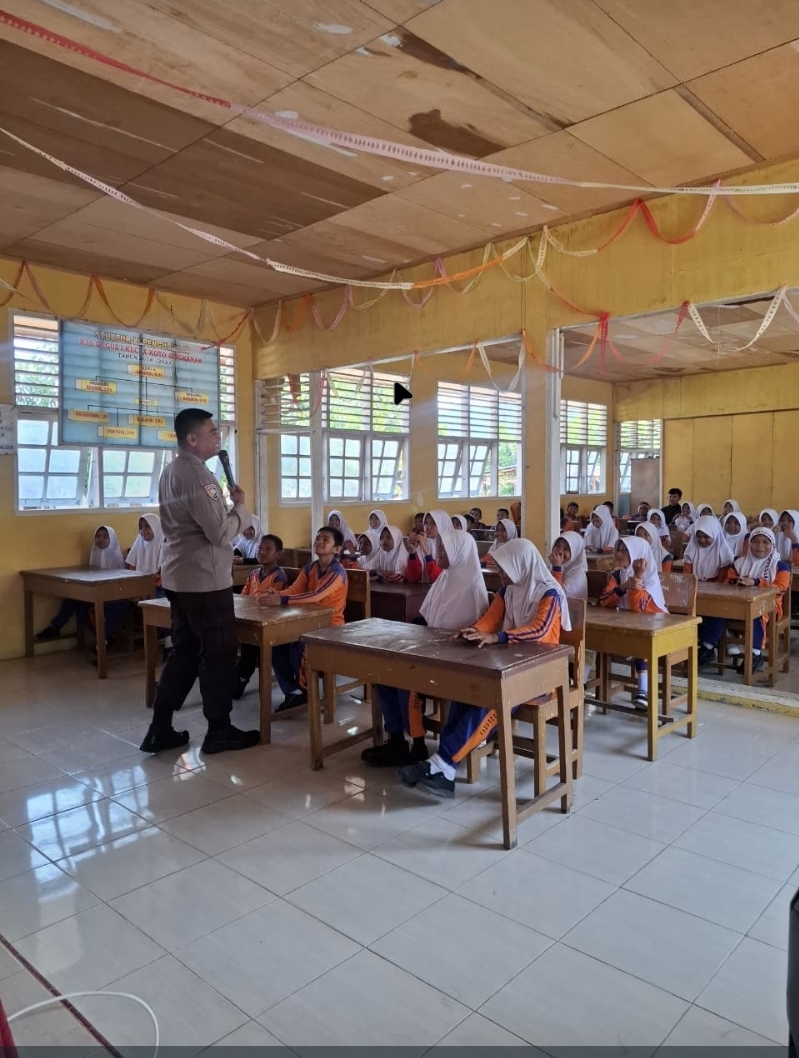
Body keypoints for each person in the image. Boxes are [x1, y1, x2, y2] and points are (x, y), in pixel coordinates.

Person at [398, 539, 569, 798]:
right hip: (512, 665)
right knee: (468, 691)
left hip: (540, 673)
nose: (500, 573)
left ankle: (444, 764)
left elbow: (541, 630)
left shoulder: (550, 592)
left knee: (491, 700)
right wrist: (475, 631)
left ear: (521, 565)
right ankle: (443, 766)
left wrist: (499, 638)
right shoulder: (508, 590)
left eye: (504, 568)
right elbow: (490, 619)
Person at [140, 408, 257, 756]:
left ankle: (160, 726)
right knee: (219, 652)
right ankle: (219, 729)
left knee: (186, 652)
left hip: (180, 576)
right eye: (211, 432)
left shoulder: (172, 470)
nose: (217, 437)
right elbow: (220, 533)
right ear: (192, 439)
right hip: (205, 582)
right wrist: (241, 510)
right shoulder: (196, 475)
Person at [361, 530, 488, 767]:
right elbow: (430, 620)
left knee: (406, 678)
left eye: (444, 549)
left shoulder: (471, 586)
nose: (437, 552)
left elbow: (470, 635)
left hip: (457, 660)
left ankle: (417, 744)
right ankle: (396, 739)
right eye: (438, 547)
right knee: (384, 674)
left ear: (459, 553)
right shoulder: (446, 578)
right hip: (433, 650)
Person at [257, 525, 348, 710]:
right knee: (276, 646)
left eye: (326, 539)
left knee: (299, 646)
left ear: (337, 549)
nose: (319, 542)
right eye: (318, 538)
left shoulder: (337, 572)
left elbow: (317, 595)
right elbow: (294, 591)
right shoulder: (310, 568)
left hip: (331, 626)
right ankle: (294, 692)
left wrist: (282, 599)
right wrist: (277, 593)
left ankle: (306, 691)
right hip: (307, 623)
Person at [600, 536, 668, 708]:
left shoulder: (649, 579)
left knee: (642, 640)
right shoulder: (617, 574)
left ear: (637, 555)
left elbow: (639, 607)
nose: (619, 554)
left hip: (655, 630)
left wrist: (638, 576)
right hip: (626, 625)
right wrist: (623, 587)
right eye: (619, 549)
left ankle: (643, 690)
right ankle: (584, 682)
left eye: (625, 551)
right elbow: (604, 600)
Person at [35, 524, 128, 644]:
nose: (101, 539)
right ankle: (55, 627)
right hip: (96, 592)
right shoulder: (95, 551)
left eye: (105, 537)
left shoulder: (115, 555)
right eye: (98, 536)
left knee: (117, 607)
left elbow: (119, 580)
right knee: (72, 598)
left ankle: (105, 639)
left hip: (113, 595)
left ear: (112, 539)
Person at [725, 527, 791, 676]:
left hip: (770, 608)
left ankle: (755, 654)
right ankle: (709, 646)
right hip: (739, 605)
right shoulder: (739, 562)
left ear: (772, 544)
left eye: (765, 542)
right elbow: (728, 579)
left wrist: (756, 582)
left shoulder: (780, 566)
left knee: (756, 613)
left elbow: (781, 588)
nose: (760, 546)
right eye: (755, 542)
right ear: (749, 544)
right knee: (719, 610)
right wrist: (737, 581)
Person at [232, 534, 288, 699]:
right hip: (251, 617)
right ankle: (236, 677)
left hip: (266, 622)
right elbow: (244, 597)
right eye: (260, 548)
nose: (262, 552)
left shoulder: (279, 576)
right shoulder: (254, 573)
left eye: (268, 549)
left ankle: (240, 678)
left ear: (279, 554)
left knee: (249, 649)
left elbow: (275, 604)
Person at [683, 514, 735, 666]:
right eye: (698, 537)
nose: (702, 541)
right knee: (685, 611)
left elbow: (724, 580)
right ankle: (691, 645)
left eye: (706, 537)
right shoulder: (690, 551)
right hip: (695, 591)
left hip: (718, 593)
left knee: (717, 611)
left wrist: (711, 590)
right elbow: (688, 576)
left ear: (715, 535)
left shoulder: (724, 554)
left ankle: (707, 647)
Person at [405, 510, 454, 582]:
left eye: (433, 523)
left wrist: (427, 553)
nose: (427, 527)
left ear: (443, 524)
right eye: (426, 523)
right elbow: (414, 578)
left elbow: (438, 580)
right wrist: (412, 553)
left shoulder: (450, 547)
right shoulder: (424, 542)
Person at [549, 530, 587, 600]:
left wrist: (556, 568)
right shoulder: (563, 566)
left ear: (575, 552)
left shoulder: (578, 576)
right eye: (557, 546)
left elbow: (558, 595)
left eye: (566, 549)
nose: (560, 551)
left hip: (572, 609)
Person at [126, 514, 164, 578]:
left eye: (147, 526)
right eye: (141, 527)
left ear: (156, 527)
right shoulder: (139, 542)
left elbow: (165, 572)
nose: (142, 530)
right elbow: (131, 568)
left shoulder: (164, 545)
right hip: (139, 581)